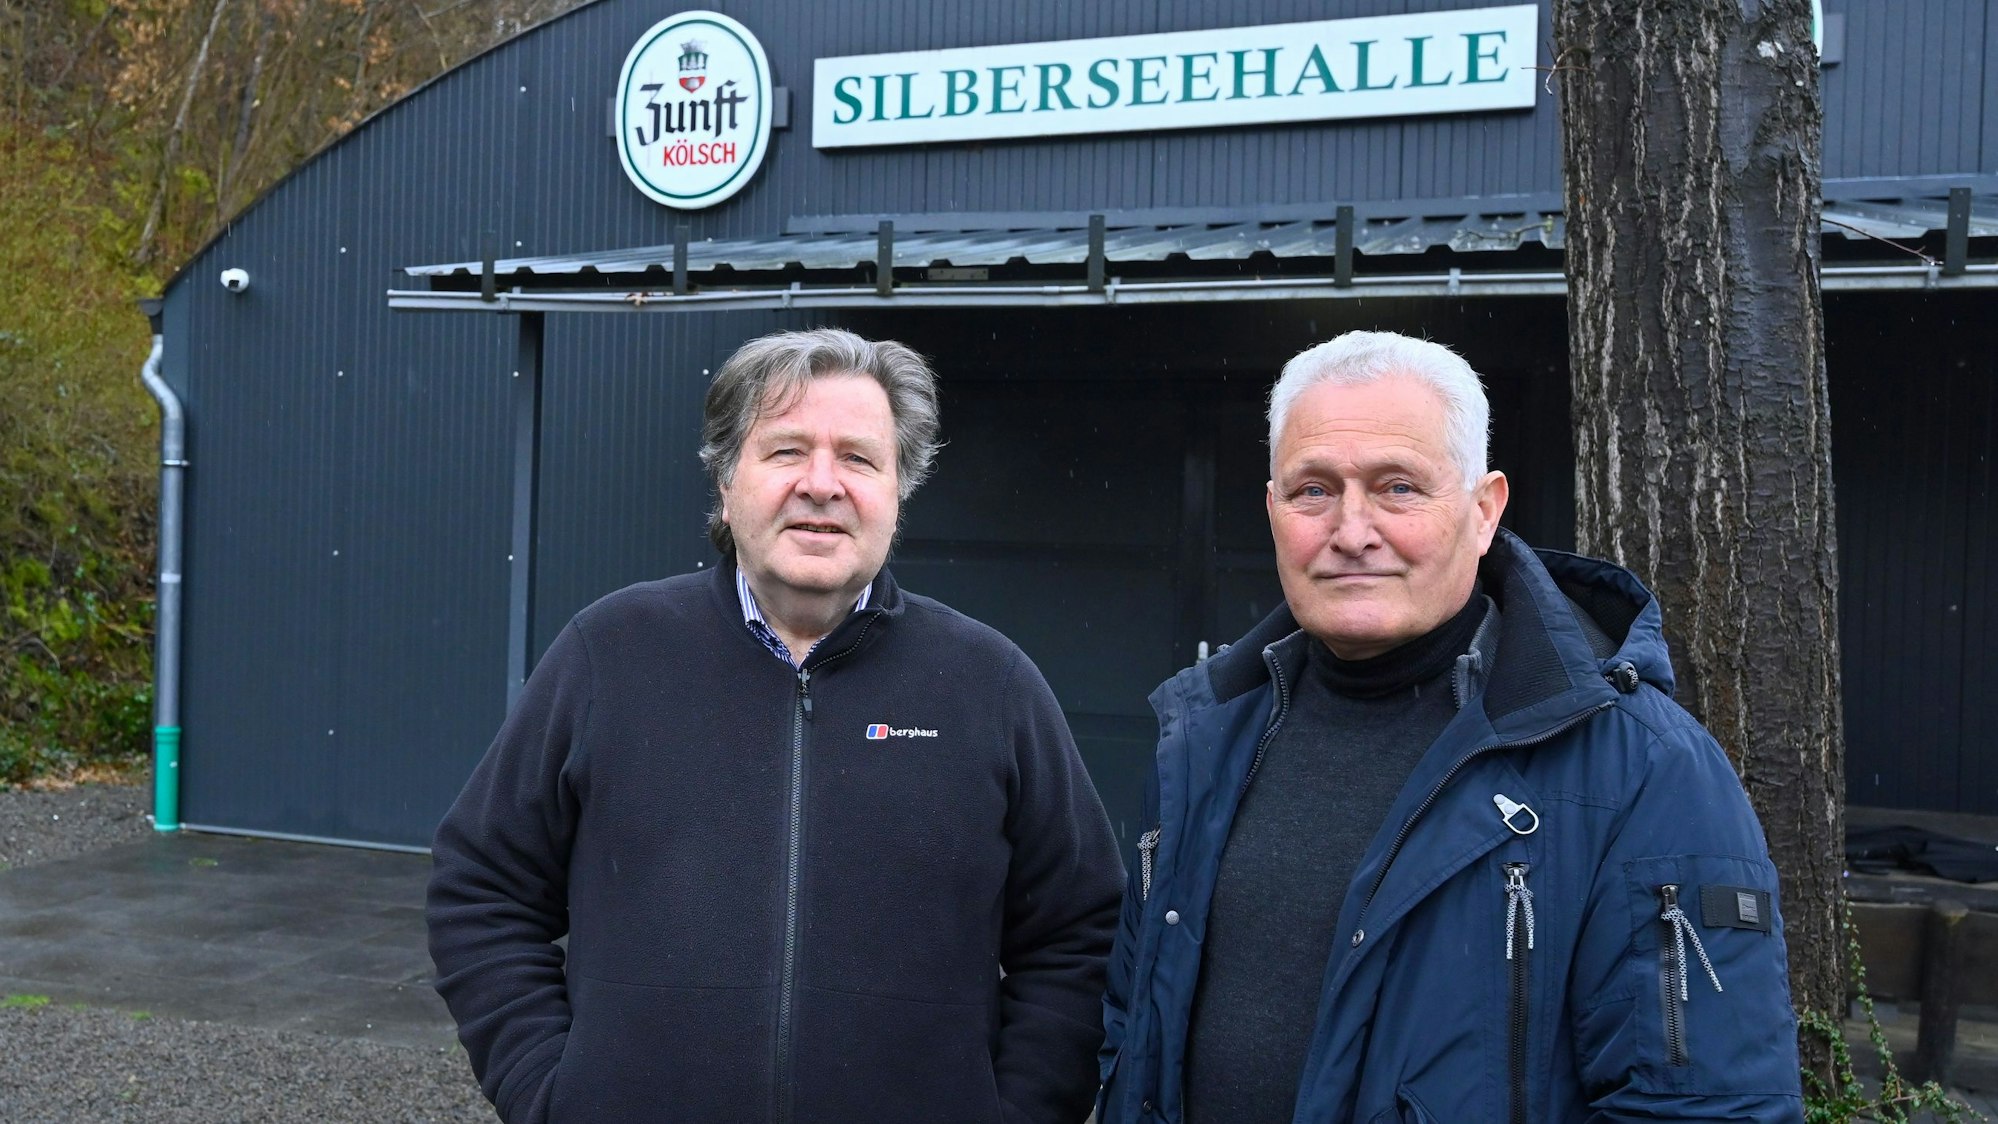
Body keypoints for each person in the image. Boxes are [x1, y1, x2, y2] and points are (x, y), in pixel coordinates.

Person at [1097, 331, 1804, 1123]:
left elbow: (1705, 1108)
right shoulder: (1201, 742)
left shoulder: (1641, 771)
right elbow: (1133, 1032)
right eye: (1313, 490)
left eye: (1398, 487)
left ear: (1482, 510)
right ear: (1272, 511)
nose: (1352, 530)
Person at [429, 328, 1123, 1124]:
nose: (821, 485)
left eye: (859, 458)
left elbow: (1079, 933)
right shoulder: (609, 654)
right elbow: (481, 888)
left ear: (900, 491)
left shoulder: (990, 684)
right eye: (786, 451)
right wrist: (550, 1089)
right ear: (726, 483)